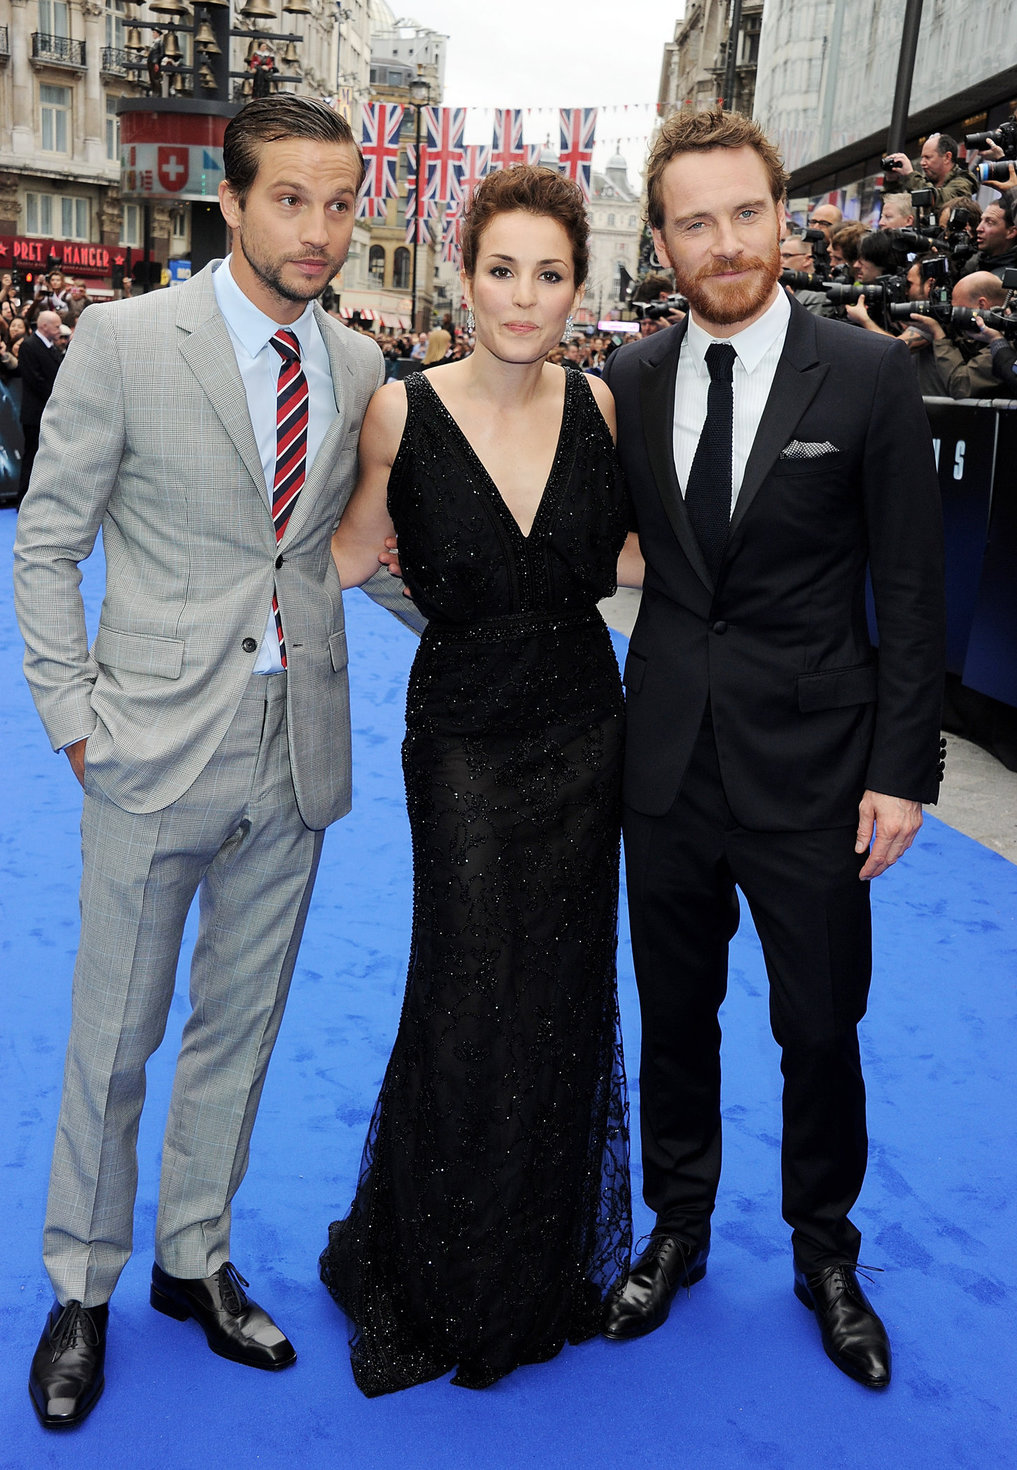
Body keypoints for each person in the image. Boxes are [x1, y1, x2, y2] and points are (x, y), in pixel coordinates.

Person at [14, 94, 420, 1431]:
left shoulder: (356, 364)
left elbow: (347, 548)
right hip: (149, 747)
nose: (319, 230)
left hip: (294, 749)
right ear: (232, 202)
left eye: (340, 203)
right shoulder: (129, 340)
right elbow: (48, 541)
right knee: (114, 1037)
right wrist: (76, 717)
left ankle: (192, 1257)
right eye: (290, 199)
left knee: (238, 1030)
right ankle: (81, 1287)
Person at [600, 109, 945, 1391]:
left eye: (747, 213)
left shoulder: (868, 376)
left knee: (820, 1026)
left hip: (817, 774)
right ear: (663, 243)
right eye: (696, 223)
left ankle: (825, 1253)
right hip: (666, 766)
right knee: (674, 1015)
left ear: (783, 218)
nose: (727, 242)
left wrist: (902, 771)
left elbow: (911, 593)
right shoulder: (631, 378)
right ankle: (677, 1227)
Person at [318, 164, 639, 1396]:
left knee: (559, 991)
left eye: (548, 274)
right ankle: (441, 1269)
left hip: (582, 727)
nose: (522, 296)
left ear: (576, 288)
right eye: (501, 269)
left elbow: (627, 555)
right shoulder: (401, 412)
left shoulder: (601, 405)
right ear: (463, 277)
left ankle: (531, 1265)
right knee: (465, 986)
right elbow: (349, 554)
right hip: (458, 734)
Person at [16, 308, 63, 505]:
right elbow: (35, 380)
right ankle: (23, 500)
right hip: (35, 414)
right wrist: (57, 397)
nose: (60, 330)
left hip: (51, 413)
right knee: (32, 457)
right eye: (57, 326)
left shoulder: (52, 347)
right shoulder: (29, 346)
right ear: (44, 326)